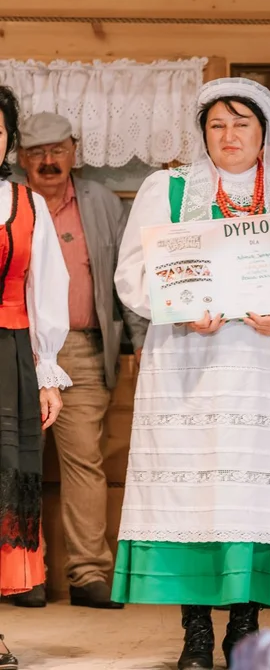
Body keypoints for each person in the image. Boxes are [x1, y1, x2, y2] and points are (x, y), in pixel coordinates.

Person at [113, 77, 270, 670]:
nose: (229, 134)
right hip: (189, 366)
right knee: (194, 493)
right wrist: (183, 306)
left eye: (242, 123)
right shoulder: (165, 190)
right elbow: (132, 274)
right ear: (203, 132)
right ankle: (193, 633)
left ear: (264, 131)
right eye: (217, 124)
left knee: (252, 495)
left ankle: (245, 626)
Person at [6, 112, 149, 611]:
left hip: (85, 349)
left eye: (57, 149)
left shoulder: (102, 203)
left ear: (75, 150)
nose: (48, 161)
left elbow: (126, 278)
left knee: (85, 461)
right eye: (36, 151)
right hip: (15, 346)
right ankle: (25, 573)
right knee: (17, 461)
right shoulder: (11, 203)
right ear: (20, 157)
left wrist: (141, 342)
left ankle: (89, 574)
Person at [0, 85, 70, 669]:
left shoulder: (28, 204)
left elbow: (44, 292)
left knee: (3, 491)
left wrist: (47, 371)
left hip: (9, 358)